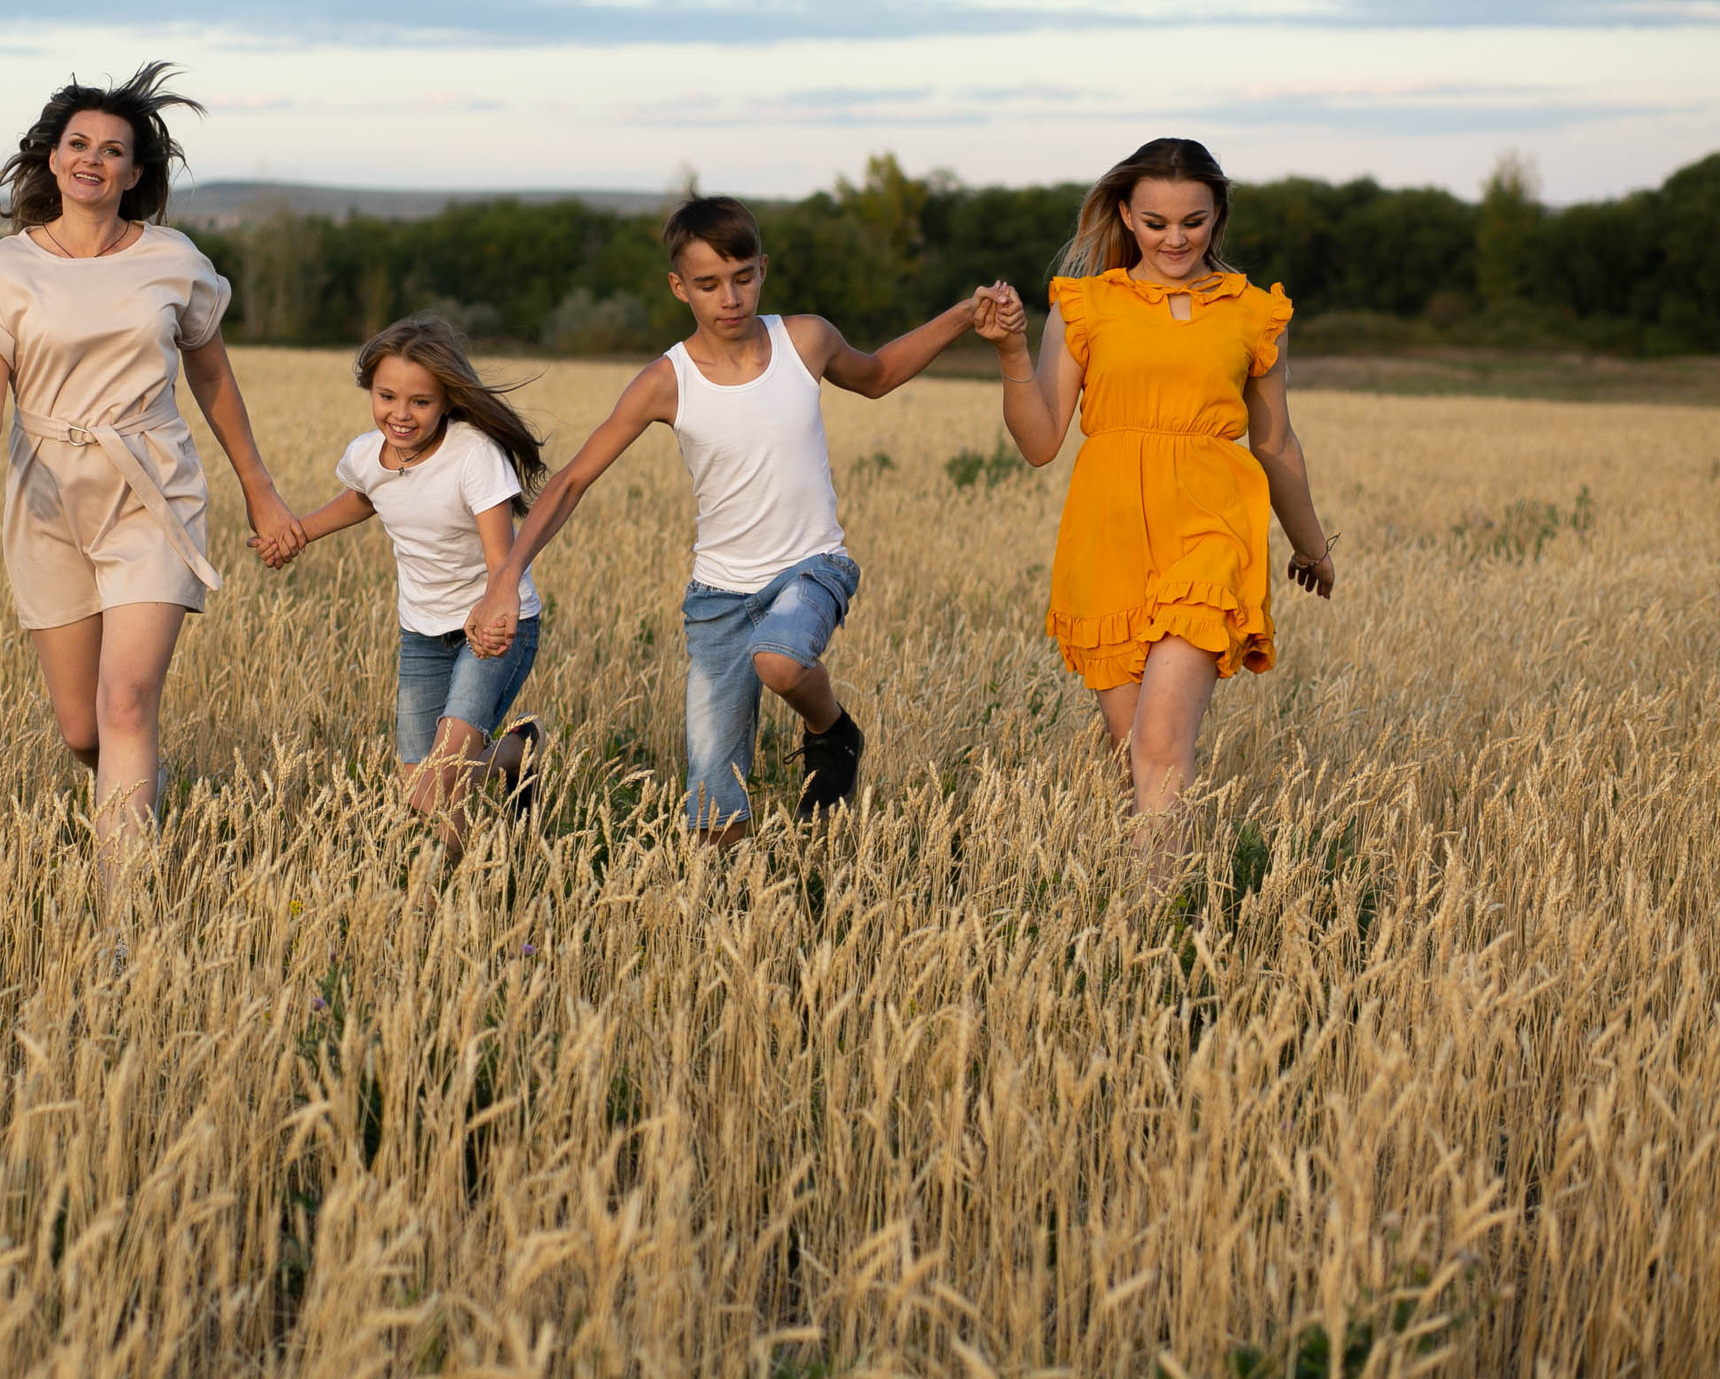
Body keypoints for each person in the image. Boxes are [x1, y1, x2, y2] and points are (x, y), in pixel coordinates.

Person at [468, 195, 1016, 843]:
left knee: (780, 661)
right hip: (717, 599)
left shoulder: (804, 340)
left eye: (743, 276)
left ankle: (832, 732)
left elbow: (879, 374)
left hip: (813, 566)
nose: (730, 297)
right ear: (680, 287)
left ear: (763, 269)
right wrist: (506, 577)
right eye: (708, 284)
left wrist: (961, 315)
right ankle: (730, 906)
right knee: (711, 797)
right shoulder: (665, 381)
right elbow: (573, 480)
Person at [0, 63, 302, 895]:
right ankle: (135, 792)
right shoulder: (5, 268)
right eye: (78, 144)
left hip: (151, 488)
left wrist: (261, 488)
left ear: (137, 173)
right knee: (82, 726)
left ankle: (122, 917)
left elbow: (212, 380)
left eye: (113, 150)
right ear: (53, 158)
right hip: (46, 494)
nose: (93, 160)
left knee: (127, 701)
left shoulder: (175, 259)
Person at [974, 137, 1335, 864]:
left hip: (1211, 527)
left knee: (1162, 742)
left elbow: (1275, 443)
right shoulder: (1086, 306)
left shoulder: (1252, 312)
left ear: (1218, 216)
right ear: (1125, 215)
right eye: (1157, 222)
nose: (1176, 238)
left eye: (1193, 222)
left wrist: (1312, 544)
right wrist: (1012, 355)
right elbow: (1041, 439)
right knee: (1132, 755)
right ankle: (1146, 921)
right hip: (1107, 536)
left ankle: (1153, 925)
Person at [266, 316, 548, 859]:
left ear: (447, 400)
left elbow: (501, 557)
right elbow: (366, 497)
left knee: (441, 773)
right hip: (421, 635)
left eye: (420, 402)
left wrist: (494, 610)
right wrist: (298, 533)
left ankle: (461, 873)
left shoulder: (473, 455)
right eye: (387, 396)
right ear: (369, 389)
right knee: (422, 793)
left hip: (490, 628)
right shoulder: (366, 455)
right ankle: (513, 758)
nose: (401, 413)